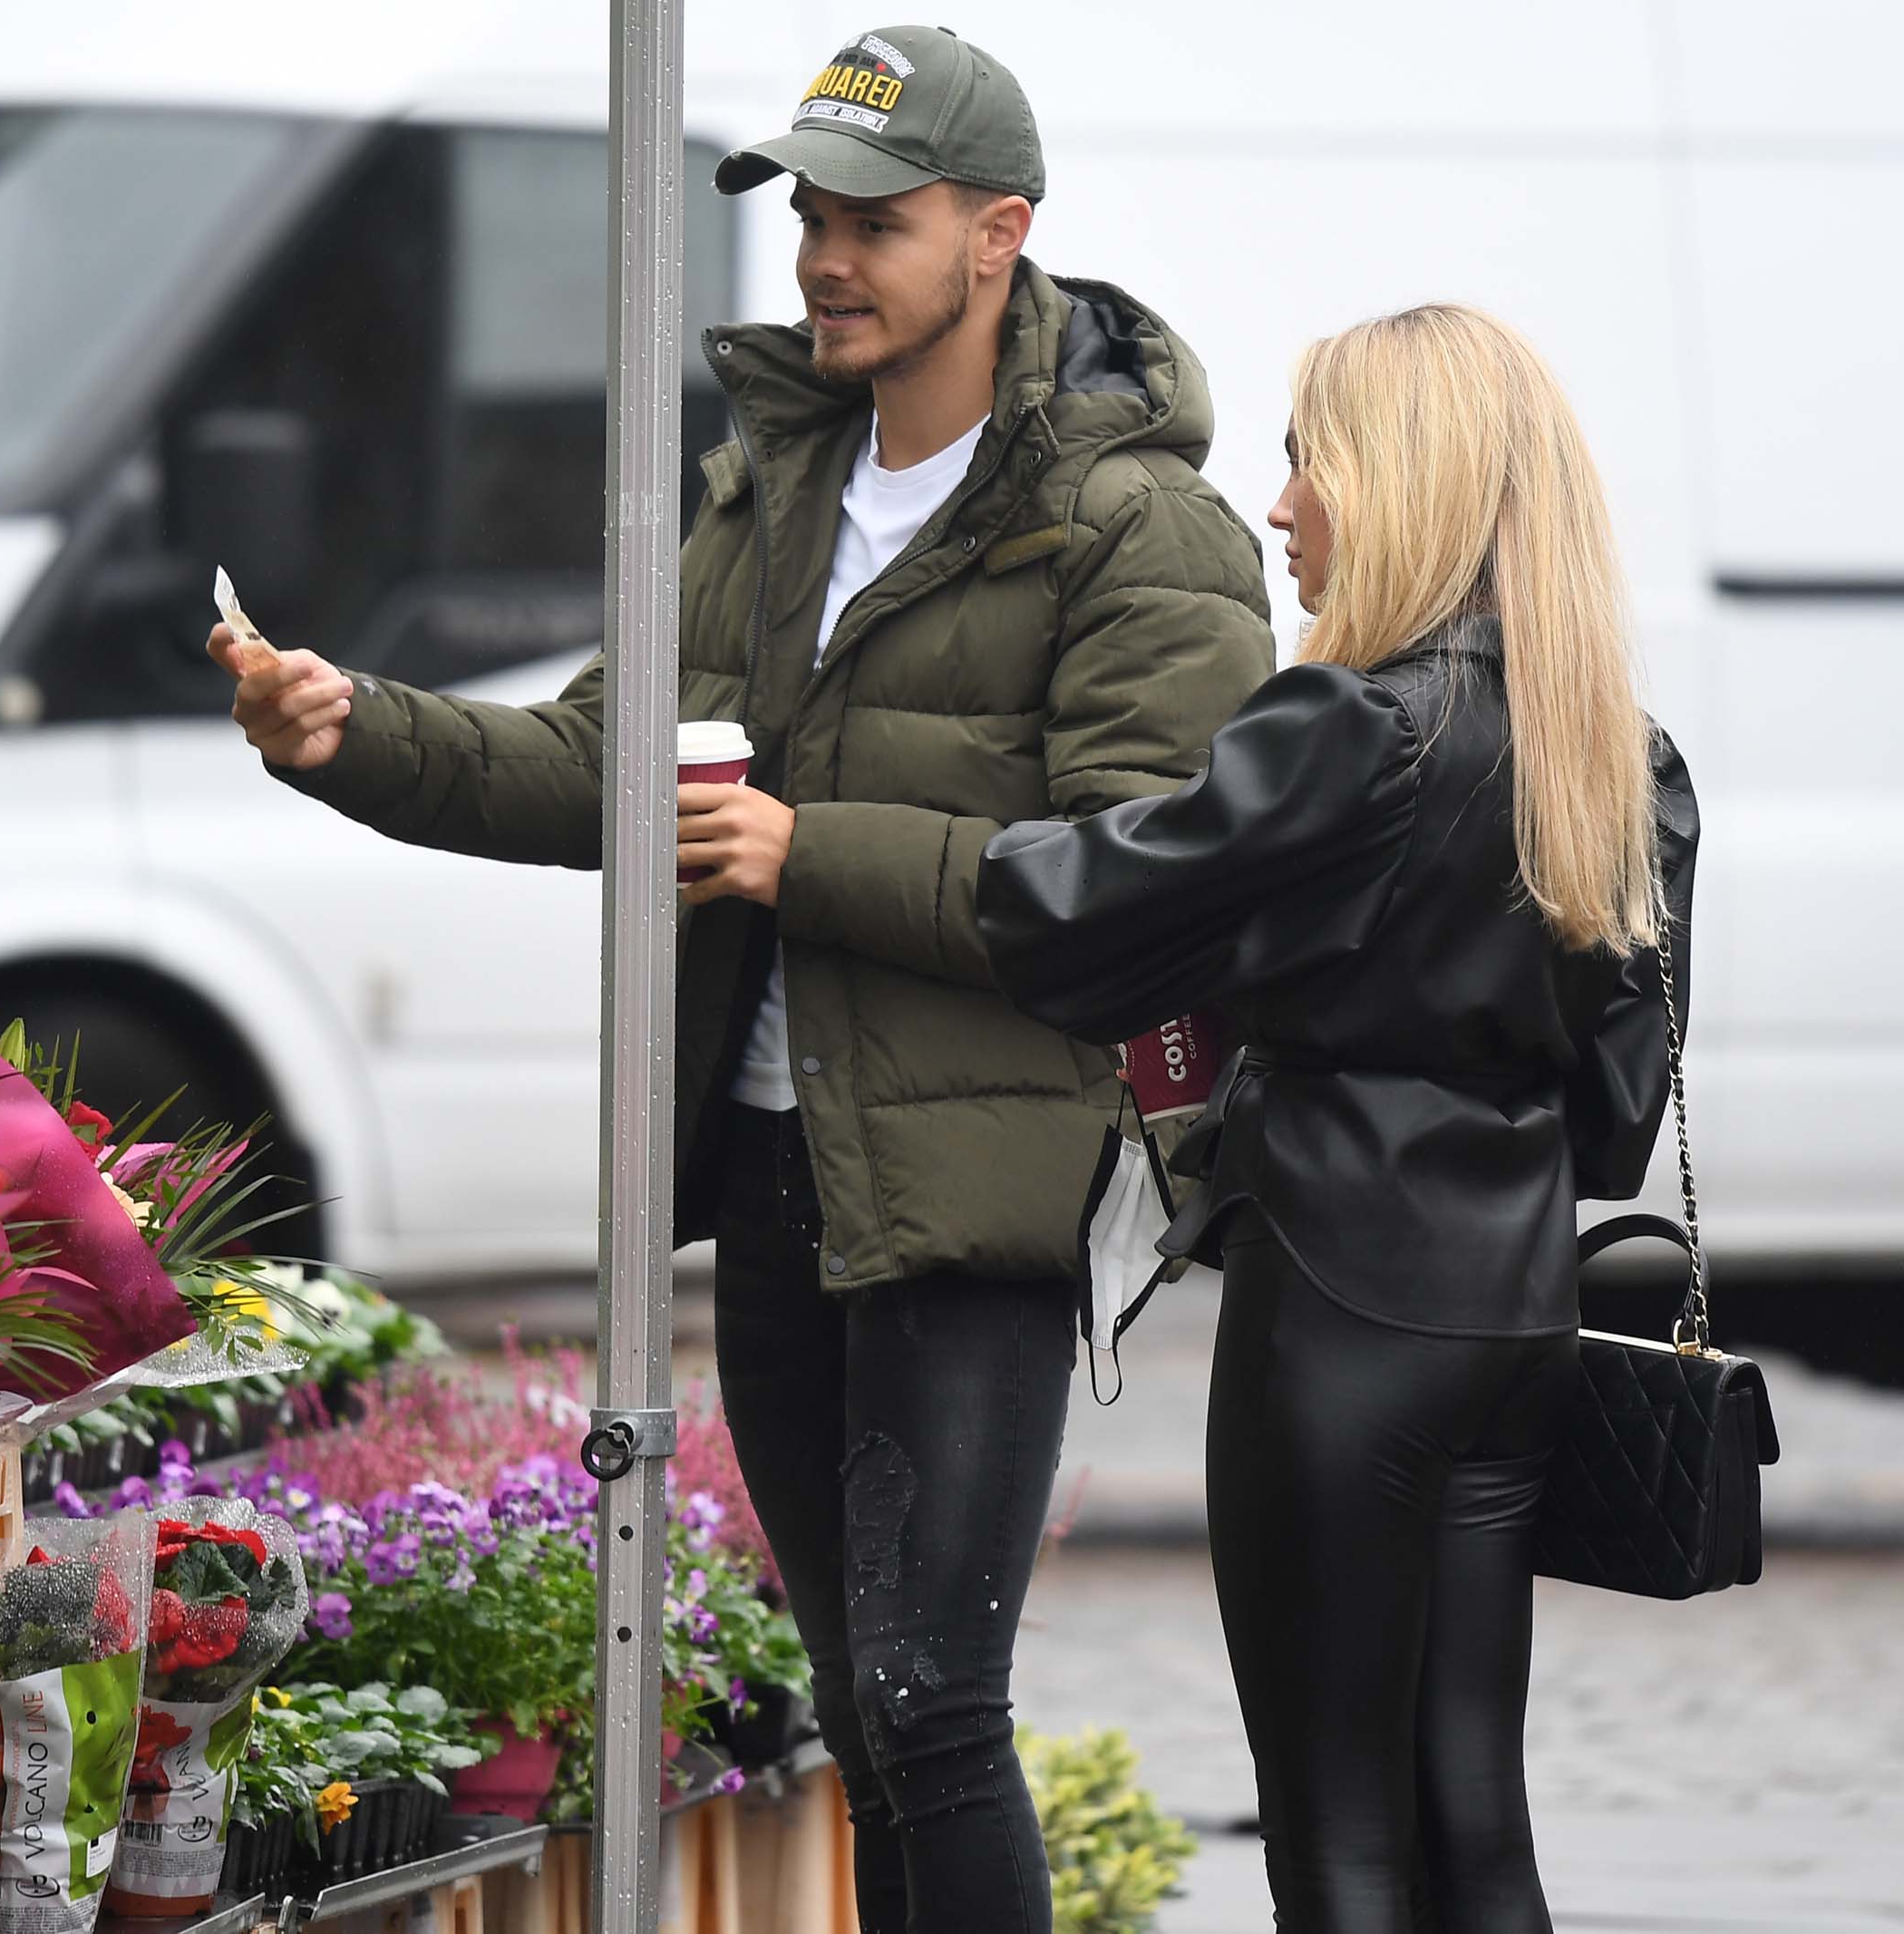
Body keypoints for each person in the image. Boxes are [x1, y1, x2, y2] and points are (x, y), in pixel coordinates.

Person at [213, 26, 1273, 1930]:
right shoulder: (770, 487)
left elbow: (1147, 889)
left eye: (875, 221)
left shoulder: (1136, 522)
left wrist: (810, 849)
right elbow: (601, 766)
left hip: (975, 1195)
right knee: (863, 1713)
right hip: (780, 1173)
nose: (824, 258)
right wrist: (348, 727)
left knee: (936, 1705)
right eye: (808, 217)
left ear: (999, 233)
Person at [977, 305, 1700, 1932]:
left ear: (1405, 482)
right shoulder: (1622, 759)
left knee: (1337, 1838)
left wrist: (942, 835)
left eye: (1312, 459)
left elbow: (1069, 915)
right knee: (1474, 1822)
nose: (1283, 502)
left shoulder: (1354, 728)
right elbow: (1614, 1119)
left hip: (1339, 1306)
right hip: (1515, 1307)